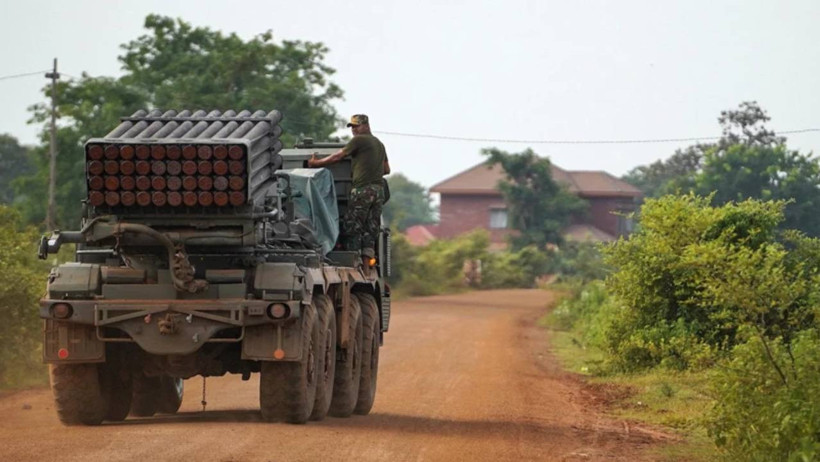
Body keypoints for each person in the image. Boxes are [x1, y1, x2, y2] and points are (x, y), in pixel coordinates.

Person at [308, 114, 390, 269]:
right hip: (378, 191)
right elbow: (386, 169)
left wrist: (316, 163)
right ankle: (366, 264)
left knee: (353, 226)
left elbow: (339, 156)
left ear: (366, 126)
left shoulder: (359, 140)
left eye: (356, 126)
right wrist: (370, 169)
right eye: (352, 127)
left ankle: (354, 263)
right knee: (370, 228)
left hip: (362, 190)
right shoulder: (379, 144)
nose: (353, 130)